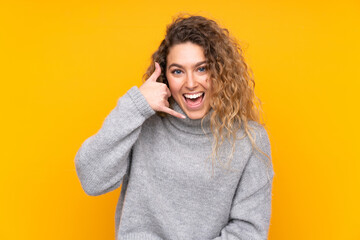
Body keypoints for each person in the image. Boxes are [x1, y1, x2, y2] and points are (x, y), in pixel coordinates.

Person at [75, 13, 275, 240]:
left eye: (202, 68)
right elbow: (91, 179)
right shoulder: (141, 123)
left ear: (220, 71)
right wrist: (135, 105)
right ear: (165, 77)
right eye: (178, 71)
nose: (190, 83)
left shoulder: (249, 140)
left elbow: (248, 232)